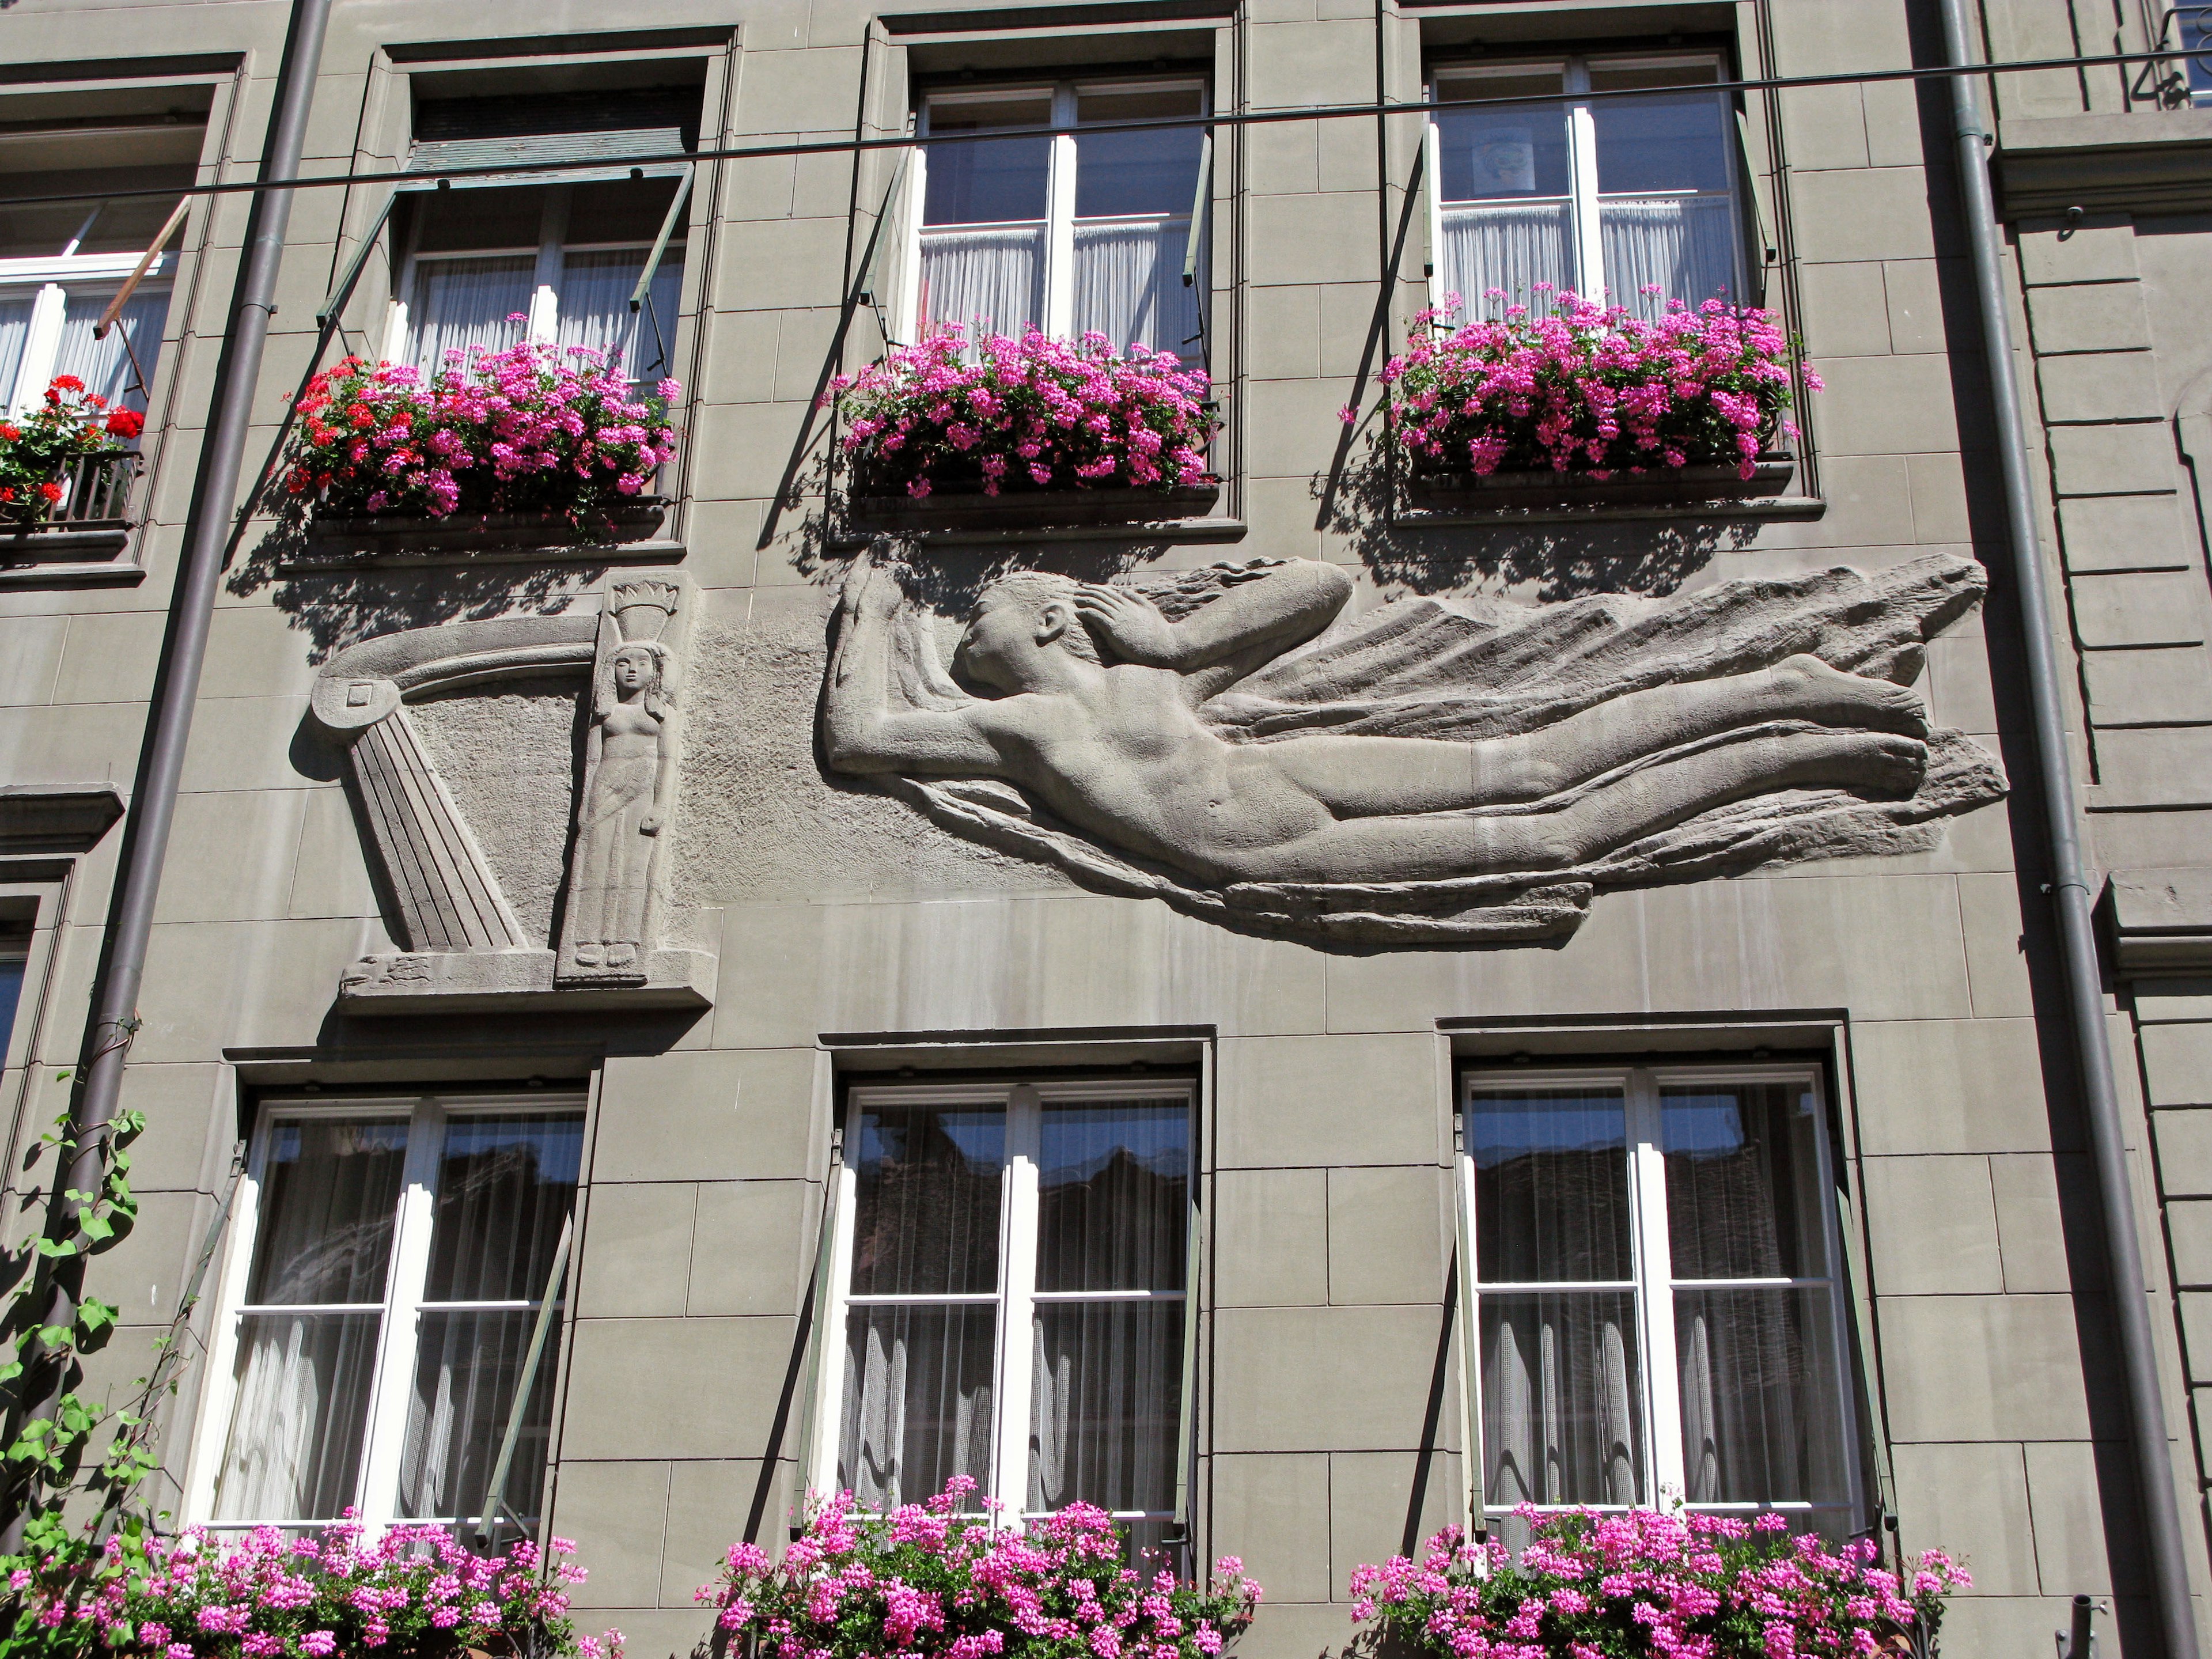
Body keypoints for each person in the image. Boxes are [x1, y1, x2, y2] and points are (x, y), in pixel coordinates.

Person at [823, 550, 1930, 887]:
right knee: (1551, 842)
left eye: (981, 618)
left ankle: (1776, 690)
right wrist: (862, 623)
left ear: (1054, 619)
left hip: (1287, 781)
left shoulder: (1149, 676)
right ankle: (1797, 755)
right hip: (1282, 854)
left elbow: (1320, 587)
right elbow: (860, 742)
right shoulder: (1020, 734)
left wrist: (1179, 644)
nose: (964, 638)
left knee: (1537, 767)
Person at [567, 640, 673, 969]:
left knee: (634, 863)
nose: (630, 669)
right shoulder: (605, 712)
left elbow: (668, 760)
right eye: (623, 662)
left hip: (642, 788)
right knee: (597, 862)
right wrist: (586, 804)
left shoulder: (662, 713)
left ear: (655, 672)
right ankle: (588, 938)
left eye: (642, 663)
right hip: (605, 787)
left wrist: (662, 805)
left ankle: (627, 938)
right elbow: (592, 759)